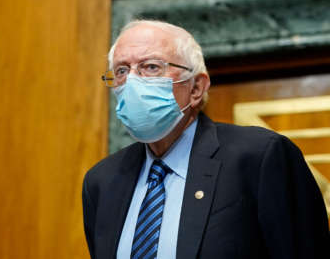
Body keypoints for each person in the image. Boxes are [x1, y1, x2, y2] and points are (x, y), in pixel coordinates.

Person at [82, 20, 329, 259]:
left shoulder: (259, 158)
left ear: (196, 87)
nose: (133, 81)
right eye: (122, 70)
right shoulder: (103, 181)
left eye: (151, 67)